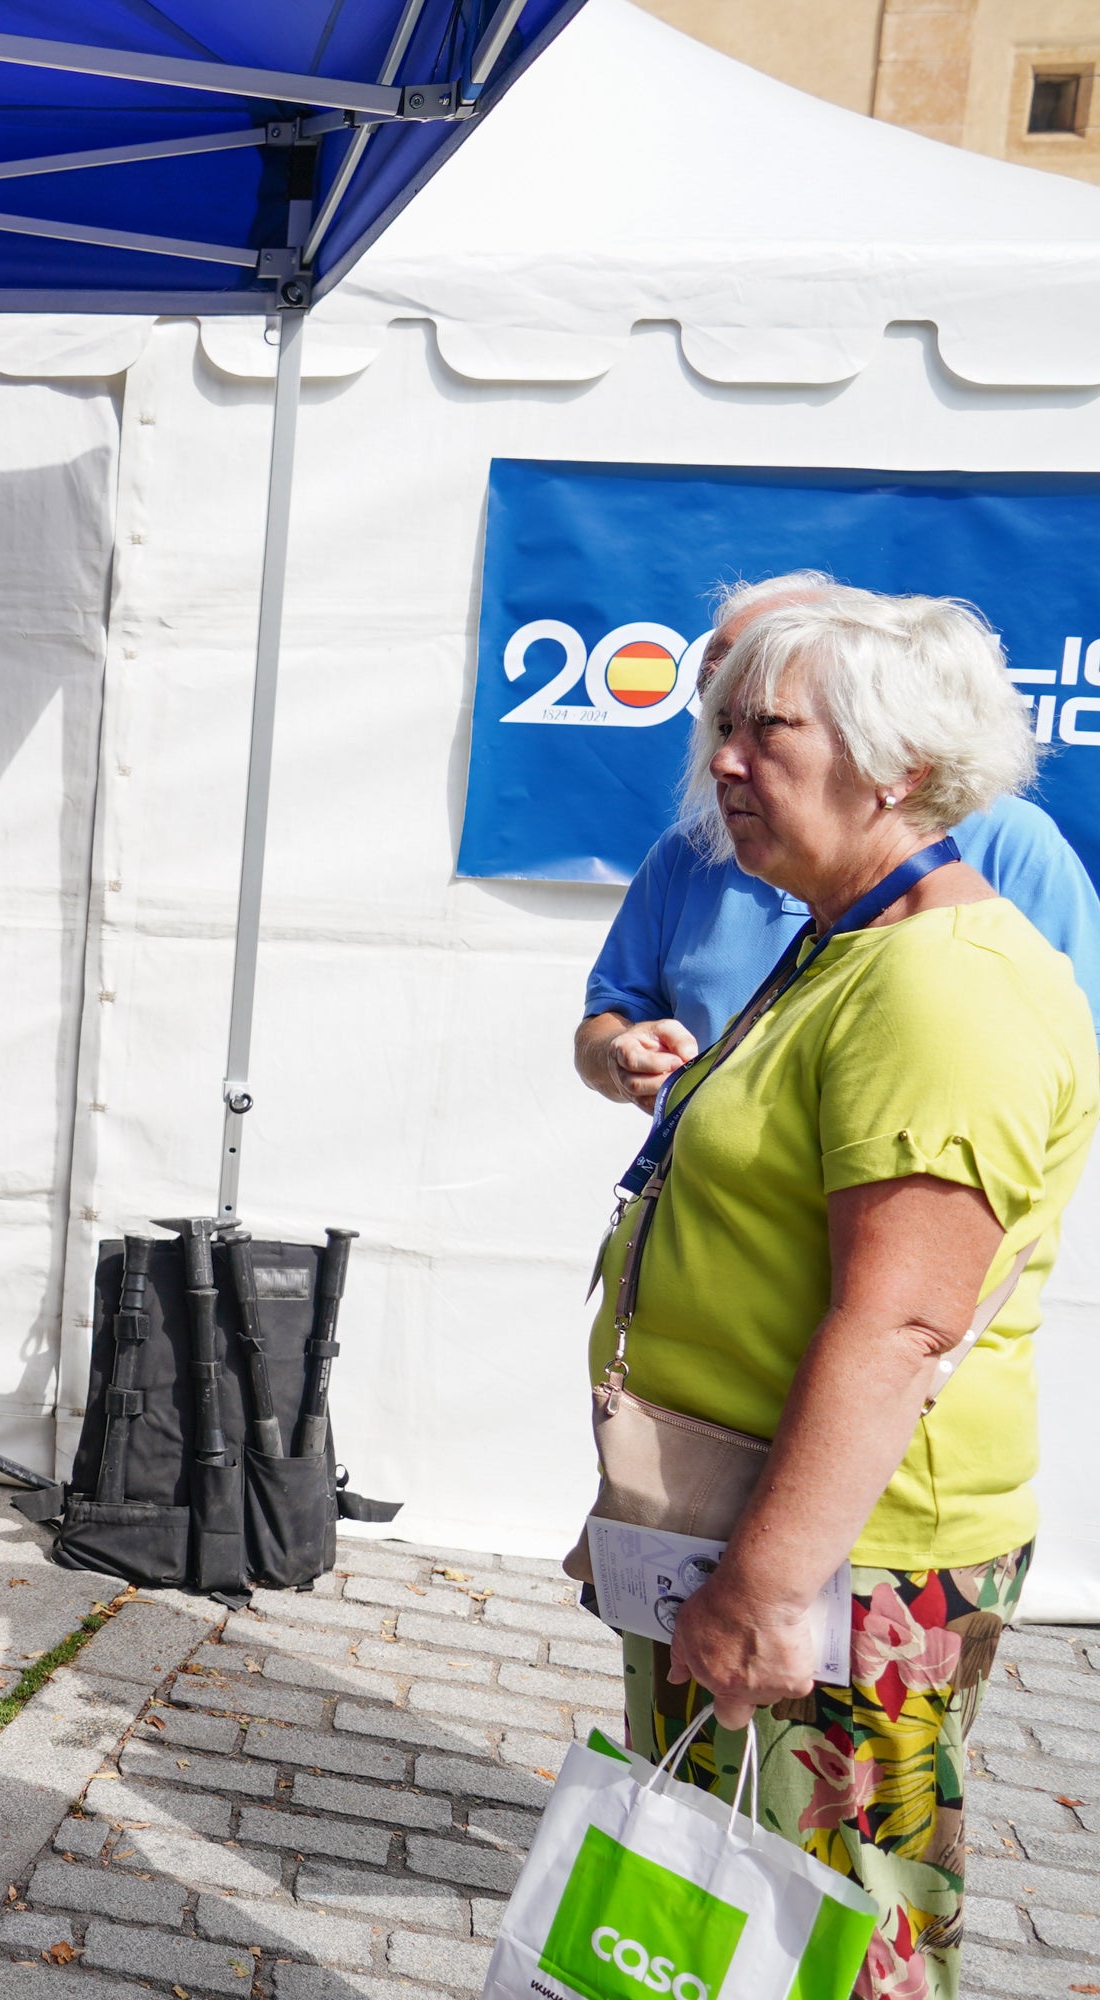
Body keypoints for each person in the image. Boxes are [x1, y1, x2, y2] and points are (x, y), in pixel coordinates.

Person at [585, 586, 1093, 1999]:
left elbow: (901, 1324)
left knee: (840, 1941)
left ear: (901, 770)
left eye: (769, 732)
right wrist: (659, 1524)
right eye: (721, 729)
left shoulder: (945, 986)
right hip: (755, 1514)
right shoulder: (848, 942)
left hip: (849, 1561)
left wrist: (761, 1582)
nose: (724, 762)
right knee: (719, 1926)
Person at [577, 573, 1100, 1114]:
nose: (722, 756)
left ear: (885, 743)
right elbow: (612, 1012)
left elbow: (1076, 1049)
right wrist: (620, 1052)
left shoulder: (1002, 860)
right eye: (723, 715)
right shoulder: (689, 851)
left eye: (771, 719)